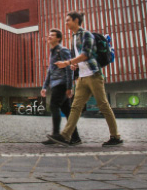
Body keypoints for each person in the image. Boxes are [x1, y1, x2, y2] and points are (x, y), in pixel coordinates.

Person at [47, 11, 123, 147]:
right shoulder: (74, 38)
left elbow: (86, 55)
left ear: (76, 21)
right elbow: (78, 57)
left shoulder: (86, 35)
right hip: (82, 78)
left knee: (103, 105)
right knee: (75, 107)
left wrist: (68, 63)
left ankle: (115, 136)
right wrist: (75, 65)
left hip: (94, 75)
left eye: (68, 20)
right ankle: (65, 136)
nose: (66, 23)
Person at [40, 29, 81, 146]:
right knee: (67, 110)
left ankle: (56, 134)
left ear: (58, 38)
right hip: (55, 84)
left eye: (52, 35)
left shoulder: (62, 50)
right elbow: (50, 71)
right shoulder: (52, 52)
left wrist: (69, 87)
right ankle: (75, 137)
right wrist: (44, 87)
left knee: (54, 105)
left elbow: (69, 68)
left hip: (62, 84)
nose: (49, 36)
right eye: (49, 34)